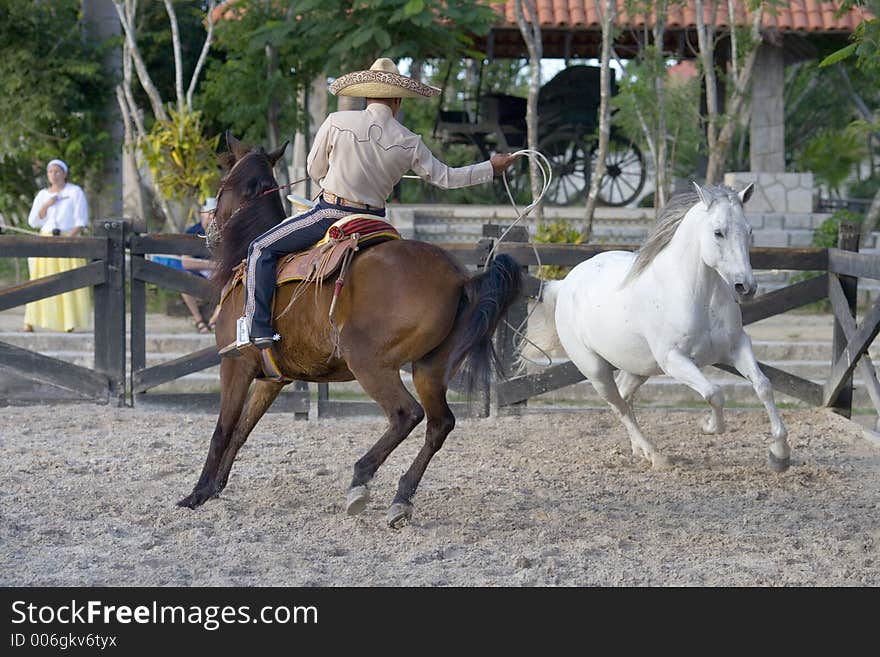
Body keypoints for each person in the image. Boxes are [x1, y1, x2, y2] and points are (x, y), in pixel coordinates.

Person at [230, 57, 516, 353]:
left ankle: (258, 328)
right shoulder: (409, 140)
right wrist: (490, 168)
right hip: (378, 223)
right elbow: (446, 177)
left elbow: (314, 170)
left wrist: (337, 178)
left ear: (366, 95)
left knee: (260, 248)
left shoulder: (337, 122)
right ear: (397, 101)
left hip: (331, 214)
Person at [23, 159, 91, 333]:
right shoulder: (42, 195)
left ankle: (68, 321)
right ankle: (31, 320)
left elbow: (81, 220)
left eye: (57, 171)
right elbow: (33, 221)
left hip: (67, 239)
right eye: (50, 172)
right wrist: (46, 205)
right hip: (46, 239)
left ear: (64, 173)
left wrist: (69, 238)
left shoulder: (74, 192)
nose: (54, 175)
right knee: (40, 279)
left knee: (67, 280)